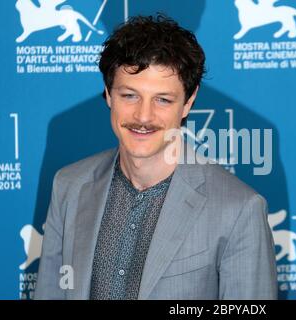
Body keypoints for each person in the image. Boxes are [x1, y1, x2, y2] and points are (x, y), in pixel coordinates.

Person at [34, 14, 277, 300]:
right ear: (109, 94)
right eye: (129, 96)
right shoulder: (69, 186)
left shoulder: (239, 209)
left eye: (162, 99)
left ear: (188, 102)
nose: (143, 116)